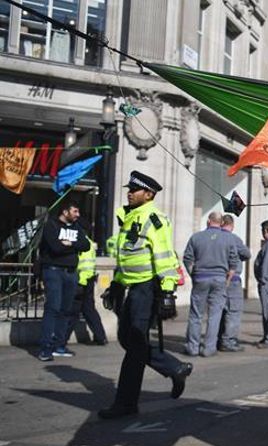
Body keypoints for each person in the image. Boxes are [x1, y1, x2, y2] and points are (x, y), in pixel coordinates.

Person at [98, 171, 192, 419]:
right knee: (127, 340)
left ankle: (126, 403)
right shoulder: (131, 217)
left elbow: (164, 257)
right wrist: (116, 284)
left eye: (135, 190)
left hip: (147, 289)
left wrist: (168, 293)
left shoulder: (154, 218)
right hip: (132, 288)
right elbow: (128, 257)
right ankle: (174, 367)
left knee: (135, 346)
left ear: (148, 194)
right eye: (129, 189)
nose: (129, 192)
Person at [37, 201, 90, 361]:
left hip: (71, 273)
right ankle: (45, 349)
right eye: (75, 211)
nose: (77, 214)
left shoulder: (76, 228)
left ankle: (59, 346)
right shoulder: (51, 226)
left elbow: (86, 245)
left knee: (65, 310)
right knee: (53, 308)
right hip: (54, 271)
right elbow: (55, 247)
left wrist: (70, 243)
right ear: (65, 212)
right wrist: (74, 246)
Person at [182, 212, 240, 357]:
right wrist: (228, 277)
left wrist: (193, 274)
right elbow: (234, 260)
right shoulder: (228, 238)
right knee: (215, 315)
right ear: (221, 223)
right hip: (220, 279)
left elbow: (187, 258)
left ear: (208, 221)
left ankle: (193, 347)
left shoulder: (196, 237)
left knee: (196, 314)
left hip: (201, 277)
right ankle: (209, 348)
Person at [65, 232, 108, 346]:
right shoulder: (88, 242)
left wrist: (80, 282)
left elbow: (83, 266)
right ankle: (100, 336)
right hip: (88, 279)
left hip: (82, 280)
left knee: (73, 311)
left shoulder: (81, 243)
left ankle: (61, 340)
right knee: (89, 310)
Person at [217, 214, 251, 352]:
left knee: (218, 311)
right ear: (231, 225)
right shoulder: (234, 239)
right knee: (233, 311)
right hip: (232, 280)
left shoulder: (213, 237)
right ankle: (228, 341)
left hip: (215, 278)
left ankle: (216, 339)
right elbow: (247, 254)